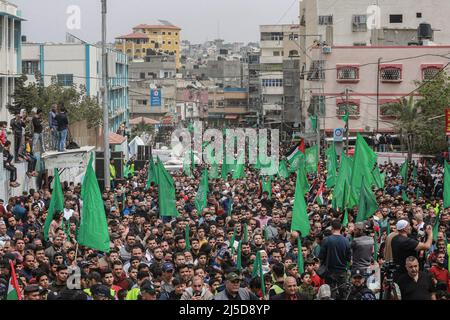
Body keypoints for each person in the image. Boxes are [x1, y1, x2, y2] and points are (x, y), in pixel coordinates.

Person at [318, 219, 351, 299]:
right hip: (342, 271)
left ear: (332, 228)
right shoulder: (346, 241)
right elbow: (348, 258)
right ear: (341, 228)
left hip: (329, 272)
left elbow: (321, 256)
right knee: (343, 294)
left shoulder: (326, 240)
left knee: (330, 293)